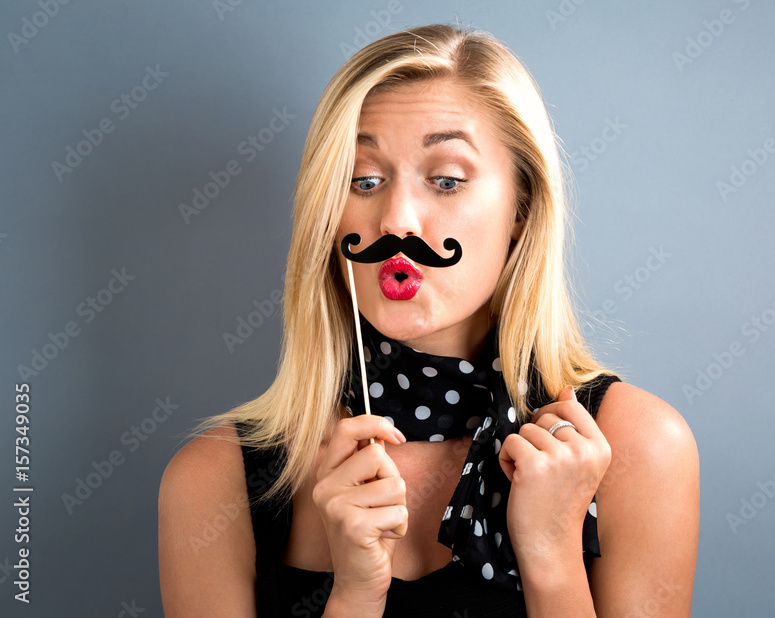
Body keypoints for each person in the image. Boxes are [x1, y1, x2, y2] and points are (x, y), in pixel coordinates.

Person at [158, 23, 699, 617]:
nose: (396, 221)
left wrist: (551, 557)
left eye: (446, 180)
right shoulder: (213, 482)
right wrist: (356, 595)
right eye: (364, 179)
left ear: (521, 207)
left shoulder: (639, 450)